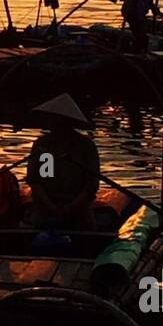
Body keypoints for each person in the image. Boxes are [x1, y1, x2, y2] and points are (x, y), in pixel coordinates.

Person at [25, 93, 101, 230]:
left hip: (78, 211)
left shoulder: (86, 146)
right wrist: (51, 206)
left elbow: (91, 185)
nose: (51, 123)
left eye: (56, 120)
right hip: (45, 209)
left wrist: (70, 208)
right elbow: (36, 181)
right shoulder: (43, 145)